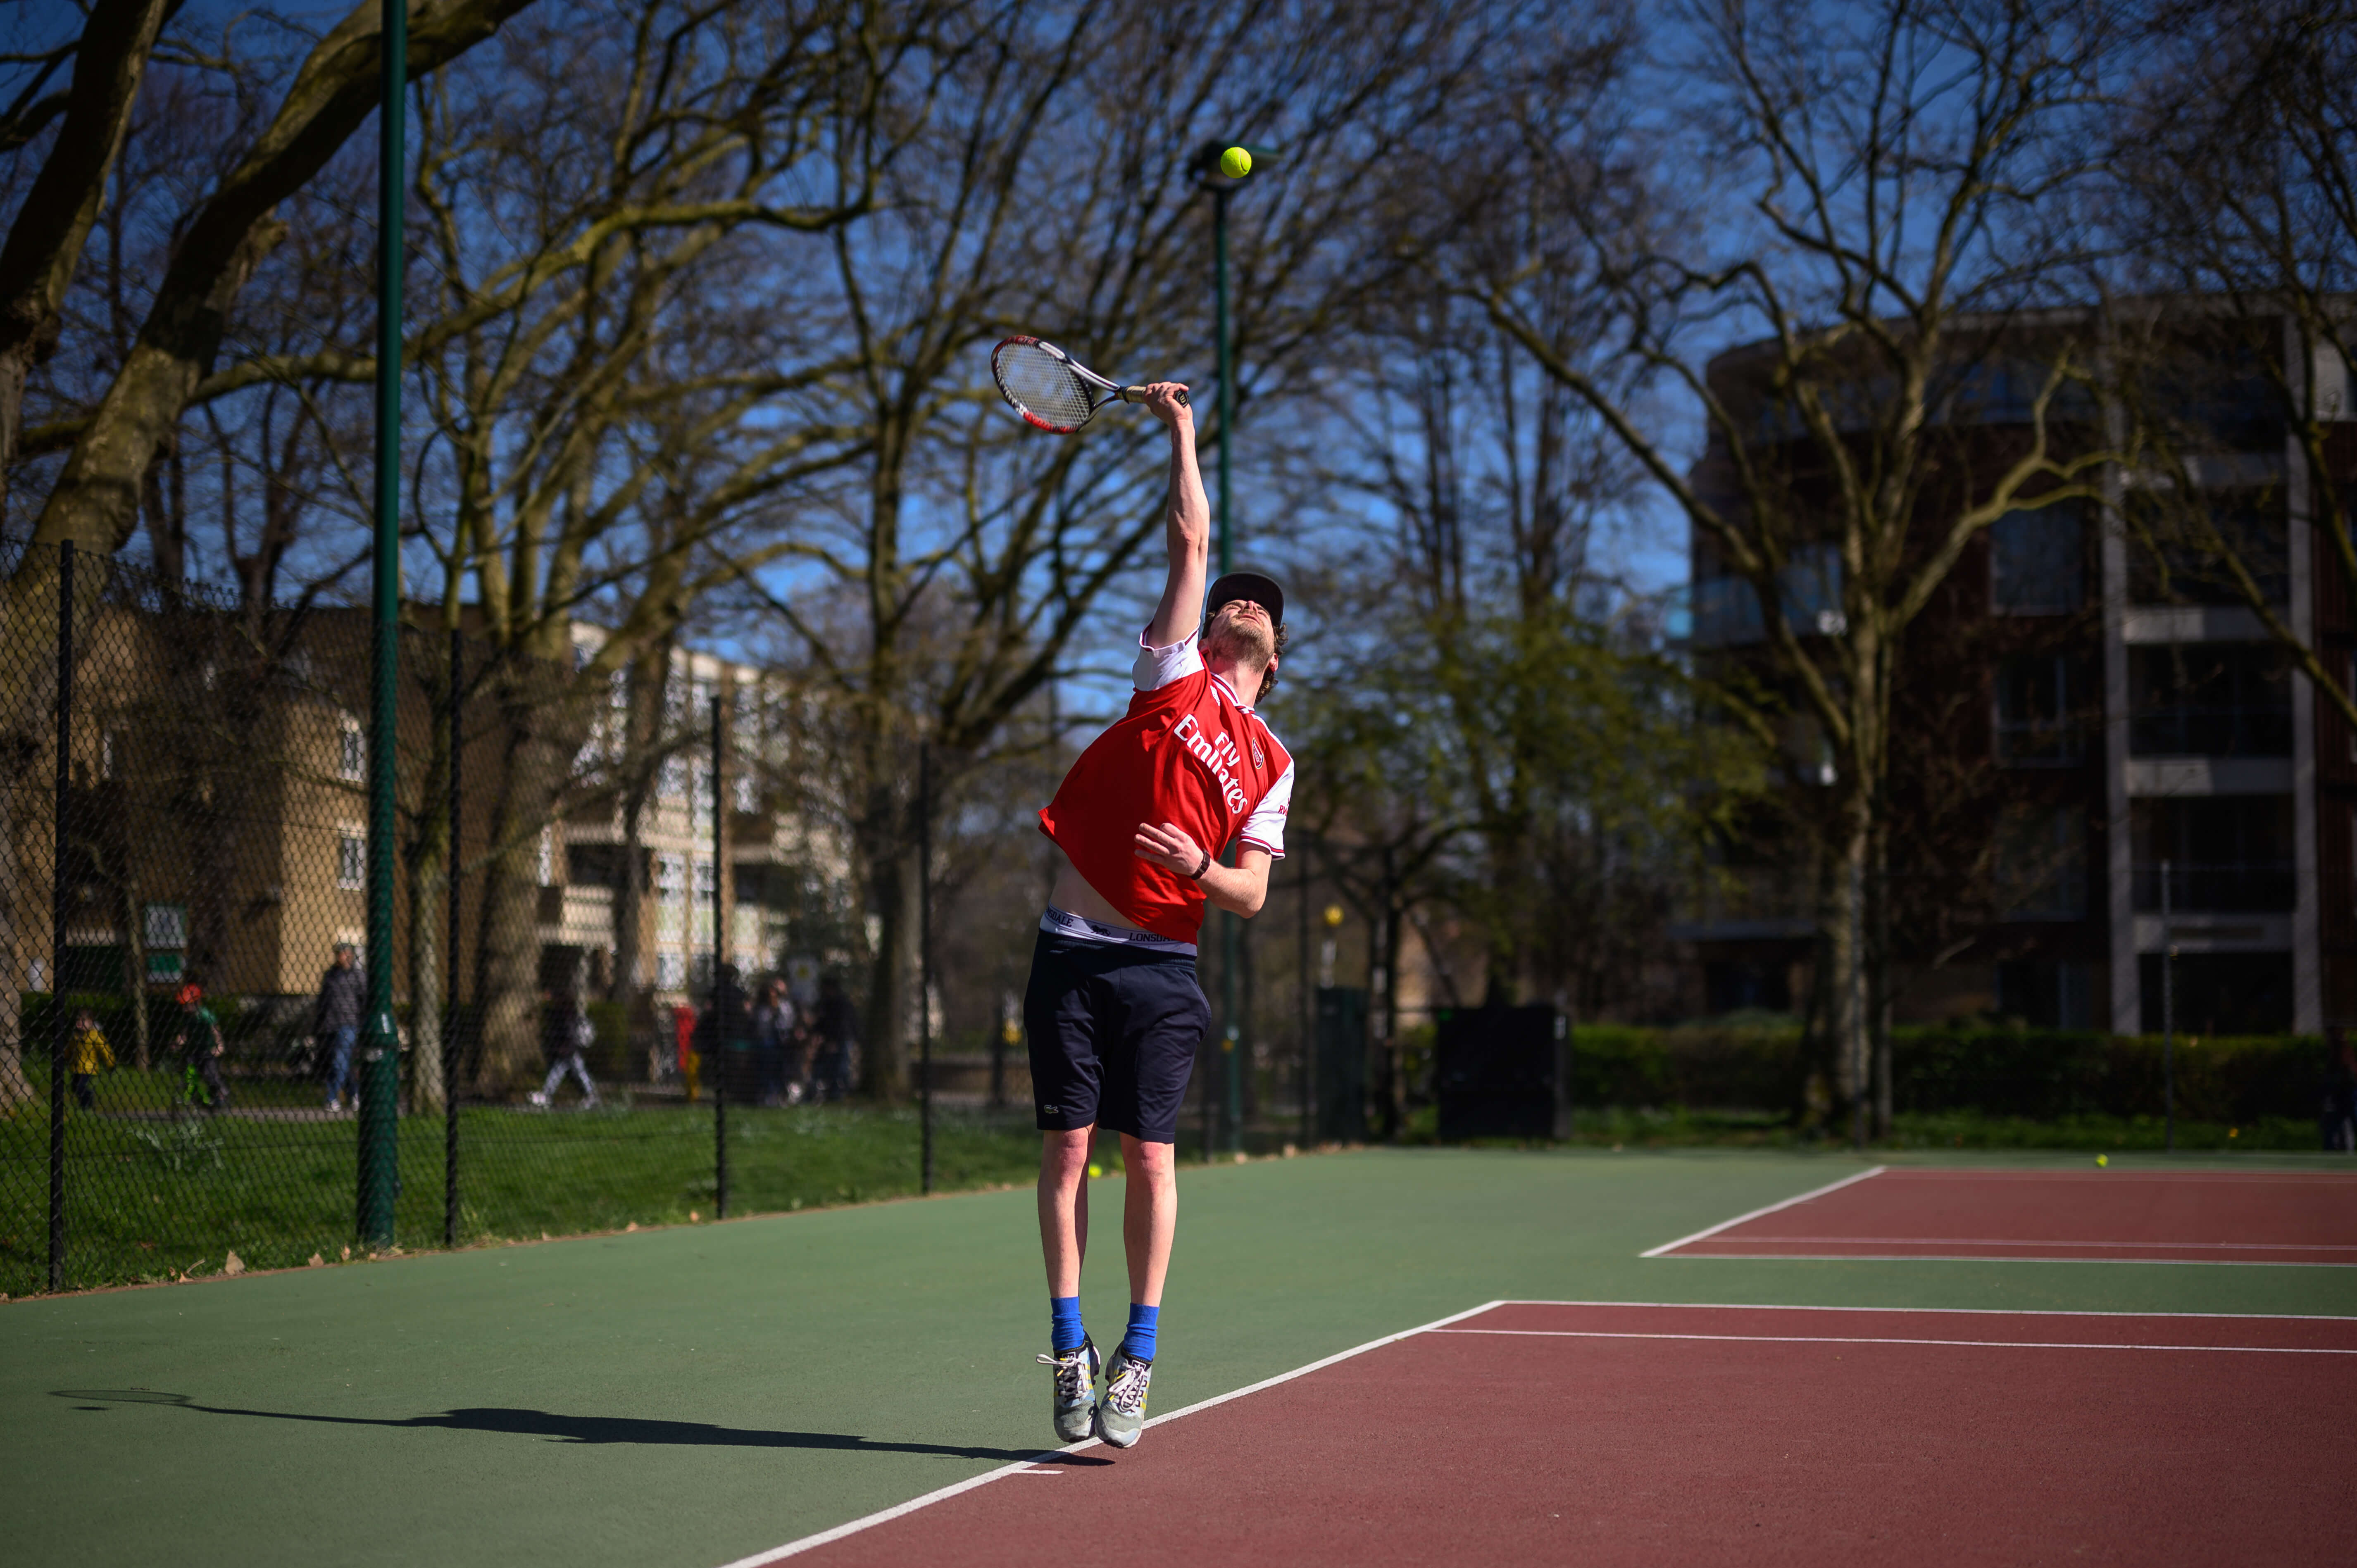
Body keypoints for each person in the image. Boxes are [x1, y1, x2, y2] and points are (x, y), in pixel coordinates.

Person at [1024, 380, 1294, 1451]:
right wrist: (1183, 428)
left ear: (1275, 652)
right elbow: (1191, 538)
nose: (1239, 601)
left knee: (1148, 1159)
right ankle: (1068, 1346)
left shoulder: (1272, 760)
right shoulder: (1172, 676)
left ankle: (1138, 1353)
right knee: (1065, 1154)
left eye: (1257, 604)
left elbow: (1253, 893)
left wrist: (1200, 866)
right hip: (1072, 948)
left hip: (1162, 966)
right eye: (1231, 596)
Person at [313, 942, 364, 1112]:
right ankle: (354, 1095)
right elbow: (323, 1001)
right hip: (330, 1025)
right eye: (339, 954)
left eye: (343, 954)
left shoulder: (358, 976)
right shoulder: (330, 975)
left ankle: (332, 1097)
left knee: (339, 1061)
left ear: (350, 955)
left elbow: (364, 1000)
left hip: (349, 1024)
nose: (341, 957)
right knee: (344, 1063)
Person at [532, 991, 600, 1109]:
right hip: (570, 1049)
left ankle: (547, 1095)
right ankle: (591, 1095)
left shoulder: (565, 1014)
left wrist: (565, 1046)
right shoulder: (568, 1014)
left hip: (568, 1049)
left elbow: (569, 1033)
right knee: (575, 1071)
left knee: (562, 1071)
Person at [172, 980, 231, 1112]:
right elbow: (184, 1034)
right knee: (189, 1072)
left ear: (197, 1002)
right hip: (194, 1050)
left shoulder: (205, 1015)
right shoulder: (188, 1018)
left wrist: (219, 1045)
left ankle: (220, 1094)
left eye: (188, 1005)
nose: (185, 1009)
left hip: (207, 1050)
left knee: (209, 1074)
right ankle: (192, 1097)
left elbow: (215, 1031)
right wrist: (178, 1043)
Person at [809, 973, 858, 1102]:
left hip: (840, 1041)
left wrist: (834, 1041)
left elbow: (841, 1025)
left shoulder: (840, 1004)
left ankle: (839, 1094)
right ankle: (832, 1094)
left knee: (840, 1069)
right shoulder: (826, 1003)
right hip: (831, 1041)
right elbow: (821, 1023)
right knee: (831, 1068)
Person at [752, 977, 801, 1105]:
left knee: (783, 1069)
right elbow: (761, 1028)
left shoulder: (786, 1007)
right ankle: (769, 1094)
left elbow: (789, 1023)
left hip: (784, 1043)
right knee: (768, 1067)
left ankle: (782, 1094)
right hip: (768, 1044)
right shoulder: (763, 1010)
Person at [68, 1008, 113, 1110]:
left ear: (91, 1022)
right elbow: (69, 1049)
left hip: (89, 1068)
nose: (80, 1023)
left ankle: (86, 1106)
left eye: (83, 1021)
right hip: (76, 1067)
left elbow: (105, 1049)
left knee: (81, 1087)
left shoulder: (95, 1036)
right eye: (78, 1020)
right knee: (75, 1088)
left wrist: (110, 1063)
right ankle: (85, 1104)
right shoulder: (76, 1036)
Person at [2323, 1026, 2357, 1153]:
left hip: (2347, 1094)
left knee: (2345, 1121)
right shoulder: (2334, 1058)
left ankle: (2331, 1147)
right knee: (2334, 1124)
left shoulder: (2345, 1053)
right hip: (2339, 1095)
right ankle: (2329, 1148)